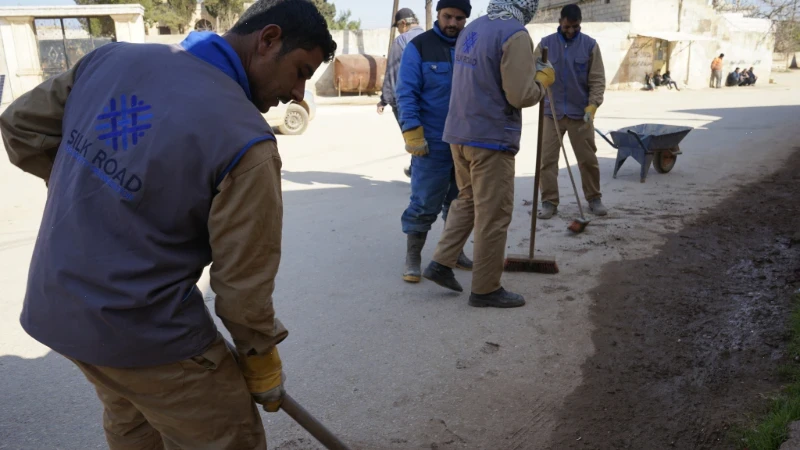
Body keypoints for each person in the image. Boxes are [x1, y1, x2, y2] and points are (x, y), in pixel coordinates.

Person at [0, 0, 336, 448]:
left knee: (132, 420)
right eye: (300, 71)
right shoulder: (247, 142)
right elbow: (242, 289)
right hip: (146, 334)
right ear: (268, 40)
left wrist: (96, 194)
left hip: (57, 307)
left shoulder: (112, 59)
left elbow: (21, 127)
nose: (298, 93)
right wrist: (261, 363)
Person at [422, 0, 555, 308]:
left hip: (459, 132)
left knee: (468, 199)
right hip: (490, 138)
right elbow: (520, 95)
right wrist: (542, 82)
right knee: (493, 213)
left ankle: (442, 261)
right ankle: (485, 289)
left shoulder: (475, 27)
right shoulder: (515, 33)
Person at [396, 0, 473, 283]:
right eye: (448, 16)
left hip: (466, 139)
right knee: (425, 201)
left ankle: (453, 253)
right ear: (438, 15)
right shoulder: (419, 47)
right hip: (433, 139)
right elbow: (406, 91)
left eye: (460, 18)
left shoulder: (471, 45)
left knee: (461, 201)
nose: (453, 23)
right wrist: (412, 130)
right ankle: (413, 257)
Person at [536, 4, 608, 220]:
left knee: (587, 159)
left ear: (580, 24)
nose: (571, 31)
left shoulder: (590, 46)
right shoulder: (545, 45)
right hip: (552, 113)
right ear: (560, 22)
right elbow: (532, 73)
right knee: (546, 161)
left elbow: (597, 79)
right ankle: (549, 202)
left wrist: (593, 105)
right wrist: (539, 78)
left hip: (580, 114)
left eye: (575, 27)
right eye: (567, 26)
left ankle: (594, 198)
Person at [377, 8, 424, 179]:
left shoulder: (401, 41)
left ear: (404, 23)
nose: (398, 30)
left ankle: (418, 172)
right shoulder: (430, 38)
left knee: (413, 137)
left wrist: (384, 99)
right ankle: (417, 168)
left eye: (397, 26)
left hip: (408, 101)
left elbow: (393, 72)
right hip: (430, 99)